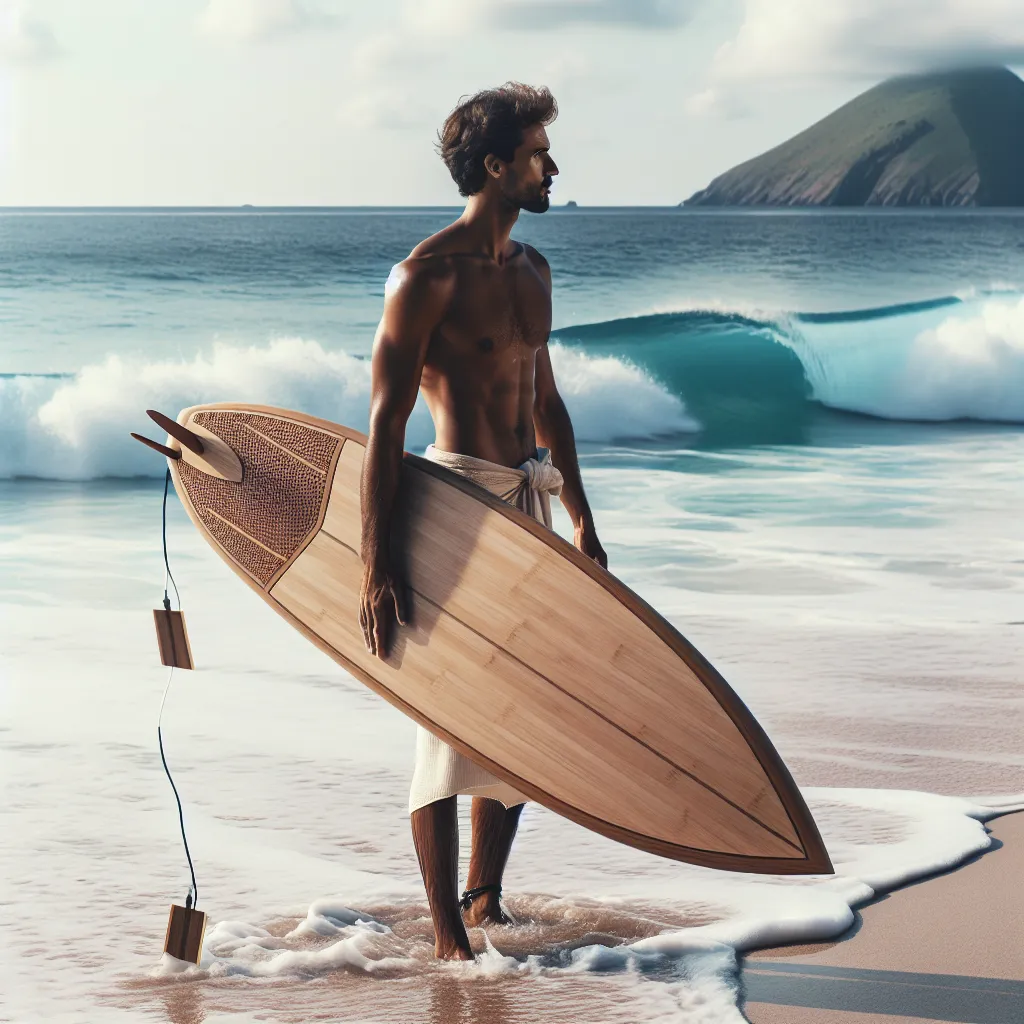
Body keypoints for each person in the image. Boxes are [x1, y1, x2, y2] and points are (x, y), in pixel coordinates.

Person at [358, 82, 607, 961]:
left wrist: (583, 517)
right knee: (446, 720)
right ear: (497, 166)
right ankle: (447, 942)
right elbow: (385, 429)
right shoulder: (424, 277)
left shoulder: (534, 270)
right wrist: (375, 563)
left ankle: (486, 898)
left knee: (525, 710)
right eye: (540, 152)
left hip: (528, 502)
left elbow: (548, 402)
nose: (554, 168)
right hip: (455, 502)